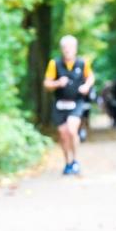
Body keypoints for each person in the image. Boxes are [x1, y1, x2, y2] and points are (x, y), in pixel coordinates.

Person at [44, 35, 95, 175]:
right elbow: (46, 83)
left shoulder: (82, 63)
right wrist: (57, 83)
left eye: (70, 47)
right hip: (60, 103)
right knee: (63, 134)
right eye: (65, 47)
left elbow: (91, 77)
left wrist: (86, 86)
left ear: (75, 49)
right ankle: (67, 163)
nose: (68, 50)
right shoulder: (54, 64)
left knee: (72, 130)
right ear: (62, 49)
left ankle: (75, 160)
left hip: (76, 102)